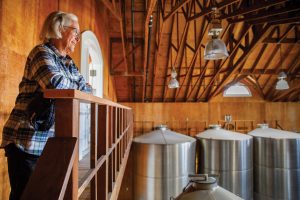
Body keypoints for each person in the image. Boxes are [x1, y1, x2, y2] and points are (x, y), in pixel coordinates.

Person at [1, 11, 92, 200]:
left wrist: (77, 86)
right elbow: (56, 84)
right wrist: (77, 86)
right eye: (75, 31)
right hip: (26, 140)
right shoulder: (41, 52)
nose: (78, 38)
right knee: (25, 195)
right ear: (59, 29)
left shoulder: (68, 63)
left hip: (46, 142)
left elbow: (87, 90)